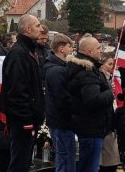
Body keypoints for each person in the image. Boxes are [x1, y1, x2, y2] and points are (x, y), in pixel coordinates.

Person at [0, 14, 45, 172]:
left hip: (29, 119)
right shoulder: (18, 54)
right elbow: (17, 91)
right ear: (27, 28)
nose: (41, 29)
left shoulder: (29, 51)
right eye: (38, 25)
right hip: (22, 121)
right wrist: (26, 120)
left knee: (24, 163)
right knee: (19, 164)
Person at [67, 35, 114, 172]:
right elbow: (93, 100)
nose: (101, 50)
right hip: (90, 128)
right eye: (98, 48)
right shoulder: (87, 72)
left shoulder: (80, 68)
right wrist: (110, 92)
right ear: (89, 52)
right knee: (89, 167)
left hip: (85, 125)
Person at [44, 34, 75, 172]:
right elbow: (62, 99)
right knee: (64, 159)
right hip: (61, 121)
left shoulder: (61, 66)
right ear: (62, 48)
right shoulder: (56, 70)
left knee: (67, 157)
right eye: (70, 46)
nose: (72, 49)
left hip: (62, 121)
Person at [99, 52, 121, 172]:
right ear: (102, 65)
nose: (113, 67)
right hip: (105, 125)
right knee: (106, 161)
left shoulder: (112, 78)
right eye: (110, 64)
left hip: (110, 122)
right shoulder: (101, 78)